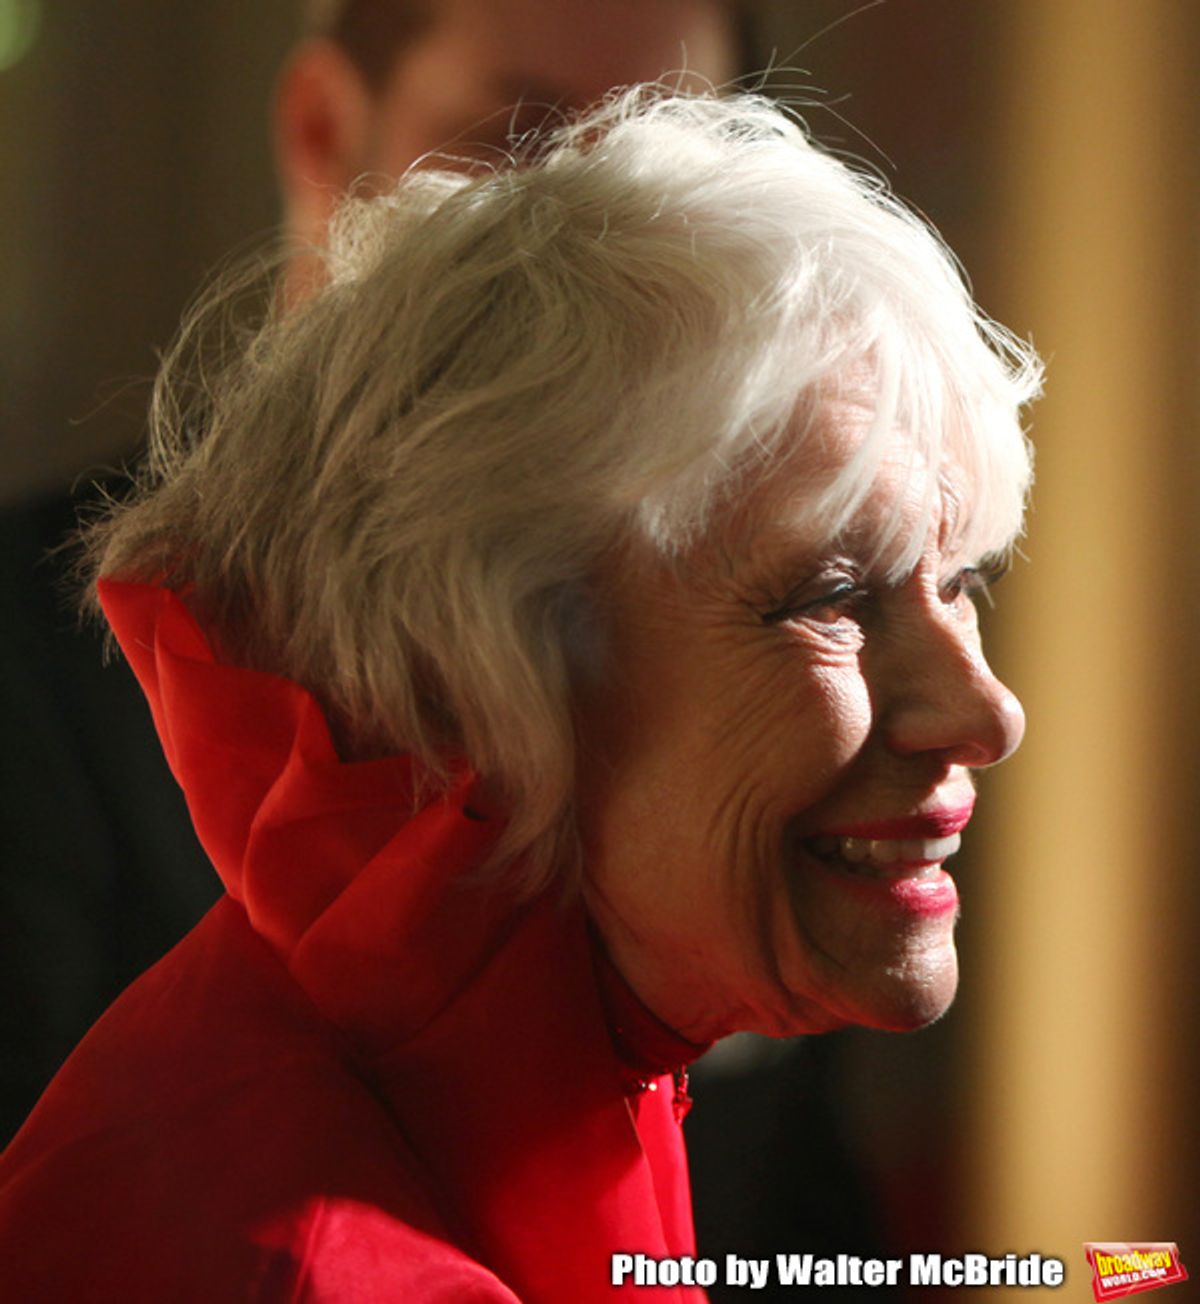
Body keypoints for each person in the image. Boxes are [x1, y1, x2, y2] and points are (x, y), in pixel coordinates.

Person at [0, 87, 1040, 1301]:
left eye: (958, 580)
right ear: (472, 679)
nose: (987, 713)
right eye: (833, 594)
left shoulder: (499, 1075)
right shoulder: (308, 1265)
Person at [0, 0, 744, 1146]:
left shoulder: (741, 644)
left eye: (667, 167)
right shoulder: (26, 656)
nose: (604, 240)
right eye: (523, 142)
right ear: (318, 130)